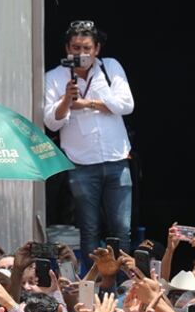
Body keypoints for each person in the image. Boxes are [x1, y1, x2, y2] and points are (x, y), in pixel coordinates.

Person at [43, 19, 135, 261]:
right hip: (82, 165)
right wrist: (66, 100)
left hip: (117, 160)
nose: (81, 54)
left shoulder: (110, 67)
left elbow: (126, 105)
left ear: (97, 49)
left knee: (121, 229)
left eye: (87, 49)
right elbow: (52, 122)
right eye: (76, 49)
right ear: (67, 49)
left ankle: (123, 284)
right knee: (90, 229)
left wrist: (89, 101)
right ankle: (93, 286)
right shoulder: (54, 76)